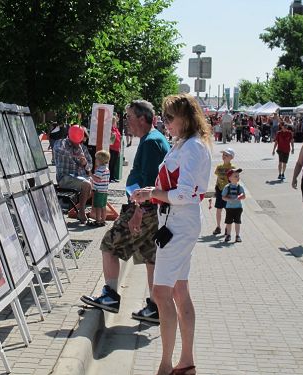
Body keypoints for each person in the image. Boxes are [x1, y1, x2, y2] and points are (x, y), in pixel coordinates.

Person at [131, 93, 211, 375]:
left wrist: (152, 193)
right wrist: (151, 196)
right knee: (178, 291)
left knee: (161, 292)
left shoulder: (192, 147)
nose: (166, 123)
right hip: (176, 222)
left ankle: (167, 366)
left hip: (179, 223)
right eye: (165, 117)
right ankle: (184, 362)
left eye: (169, 117)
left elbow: (186, 193)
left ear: (185, 119)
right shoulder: (185, 144)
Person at [80, 99, 170, 324]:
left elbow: (149, 182)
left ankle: (110, 296)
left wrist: (138, 211)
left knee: (109, 244)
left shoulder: (151, 142)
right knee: (150, 256)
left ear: (142, 118)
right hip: (154, 209)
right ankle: (155, 306)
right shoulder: (152, 139)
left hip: (145, 208)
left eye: (129, 117)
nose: (125, 121)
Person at [53, 125, 93, 223]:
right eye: (77, 141)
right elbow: (60, 151)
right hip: (65, 178)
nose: (79, 143)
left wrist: (85, 164)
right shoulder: (61, 143)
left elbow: (90, 166)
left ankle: (82, 209)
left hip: (79, 178)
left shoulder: (82, 148)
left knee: (94, 184)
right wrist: (76, 153)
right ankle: (81, 212)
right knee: (87, 184)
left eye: (80, 141)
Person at [212, 148, 236, 236]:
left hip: (228, 192)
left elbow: (235, 181)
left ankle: (227, 227)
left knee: (228, 210)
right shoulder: (219, 167)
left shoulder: (233, 168)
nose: (224, 156)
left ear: (231, 157)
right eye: (223, 155)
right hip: (219, 191)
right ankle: (218, 227)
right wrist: (216, 189)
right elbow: (218, 178)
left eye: (226, 155)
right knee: (219, 209)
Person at [222, 168, 246, 243]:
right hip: (229, 208)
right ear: (230, 178)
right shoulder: (227, 187)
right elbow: (223, 197)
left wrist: (240, 197)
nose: (238, 177)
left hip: (238, 207)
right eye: (235, 176)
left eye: (238, 176)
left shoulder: (240, 187)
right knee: (229, 222)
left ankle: (237, 235)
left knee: (237, 222)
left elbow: (244, 196)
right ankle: (228, 235)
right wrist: (228, 199)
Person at [88, 150, 111, 227]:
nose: (95, 160)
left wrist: (91, 174)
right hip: (104, 191)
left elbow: (97, 179)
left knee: (98, 206)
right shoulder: (106, 169)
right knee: (103, 206)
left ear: (100, 160)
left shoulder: (100, 170)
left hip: (98, 191)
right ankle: (103, 220)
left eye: (96, 159)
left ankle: (98, 221)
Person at [109, 116, 121, 182]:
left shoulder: (116, 129)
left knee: (114, 164)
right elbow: (111, 139)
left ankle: (113, 177)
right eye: (114, 121)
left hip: (116, 148)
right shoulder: (111, 129)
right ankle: (110, 178)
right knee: (111, 163)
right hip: (112, 148)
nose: (115, 122)